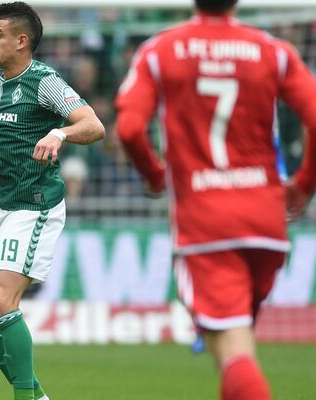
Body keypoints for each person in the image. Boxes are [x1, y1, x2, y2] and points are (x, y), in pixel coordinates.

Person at [114, 1, 316, 399]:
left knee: (233, 353)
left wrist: (155, 176)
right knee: (239, 345)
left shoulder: (161, 51)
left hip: (206, 224)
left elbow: (130, 128)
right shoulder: (272, 51)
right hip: (267, 222)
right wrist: (305, 184)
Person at [0, 3, 105, 400]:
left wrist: (59, 134)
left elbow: (94, 125)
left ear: (21, 41)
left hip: (33, 205)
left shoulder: (44, 80)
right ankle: (39, 396)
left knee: (1, 300)